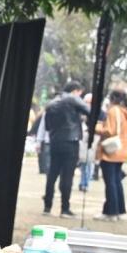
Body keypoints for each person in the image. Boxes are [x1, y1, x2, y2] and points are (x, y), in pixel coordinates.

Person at [43, 80, 89, 217]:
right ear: (75, 91)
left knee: (52, 175)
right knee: (67, 176)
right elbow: (89, 111)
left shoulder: (51, 104)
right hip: (71, 141)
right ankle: (65, 208)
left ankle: (47, 206)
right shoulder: (72, 99)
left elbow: (47, 126)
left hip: (55, 141)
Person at [94, 89, 127, 221]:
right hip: (123, 150)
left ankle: (111, 212)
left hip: (111, 151)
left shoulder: (113, 111)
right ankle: (119, 211)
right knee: (116, 181)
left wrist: (97, 127)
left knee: (110, 181)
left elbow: (110, 130)